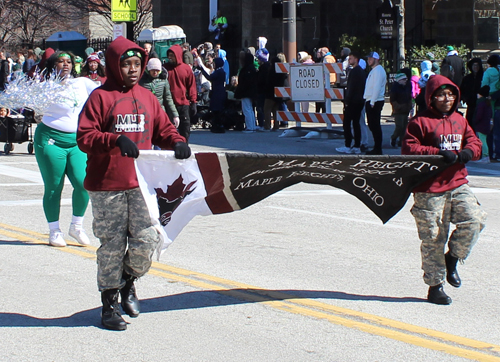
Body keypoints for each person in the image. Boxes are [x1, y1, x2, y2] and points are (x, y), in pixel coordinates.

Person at [77, 36, 191, 331]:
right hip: (107, 185)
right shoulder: (100, 98)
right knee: (112, 245)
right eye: (126, 64)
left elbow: (165, 129)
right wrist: (114, 139)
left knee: (147, 240)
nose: (132, 69)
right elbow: (85, 137)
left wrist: (177, 142)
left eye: (137, 64)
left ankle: (127, 281)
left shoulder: (148, 97)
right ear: (114, 66)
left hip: (142, 184)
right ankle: (109, 304)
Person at [402, 74, 486, 305]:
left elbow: (475, 143)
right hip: (429, 189)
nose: (446, 98)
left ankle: (453, 258)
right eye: (441, 94)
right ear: (431, 97)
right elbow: (409, 149)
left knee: (474, 221)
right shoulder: (419, 122)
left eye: (450, 94)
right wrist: (437, 154)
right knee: (433, 238)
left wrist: (469, 152)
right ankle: (435, 286)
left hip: (457, 183)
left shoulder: (460, 119)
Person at [34, 51, 99, 247]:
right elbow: (34, 108)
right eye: (61, 62)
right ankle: (54, 230)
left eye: (69, 61)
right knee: (54, 186)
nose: (66, 65)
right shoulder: (44, 87)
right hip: (51, 139)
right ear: (53, 66)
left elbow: (104, 94)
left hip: (77, 140)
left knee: (83, 183)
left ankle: (76, 226)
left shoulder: (82, 83)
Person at [165, 44, 198, 142]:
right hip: (169, 104)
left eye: (172, 55)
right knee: (169, 131)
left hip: (183, 104)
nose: (170, 58)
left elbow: (191, 86)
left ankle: (184, 147)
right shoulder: (165, 69)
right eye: (169, 55)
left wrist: (194, 102)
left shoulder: (186, 69)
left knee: (185, 130)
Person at [336, 51, 366, 154]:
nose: (349, 61)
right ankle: (357, 145)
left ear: (356, 59)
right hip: (360, 101)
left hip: (352, 101)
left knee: (347, 124)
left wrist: (347, 101)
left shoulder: (354, 71)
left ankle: (347, 145)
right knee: (356, 123)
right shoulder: (362, 72)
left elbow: (351, 88)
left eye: (351, 59)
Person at [139, 57, 180, 128]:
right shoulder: (141, 81)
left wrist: (175, 115)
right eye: (153, 70)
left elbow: (168, 99)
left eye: (157, 70)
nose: (155, 72)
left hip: (160, 111)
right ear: (148, 69)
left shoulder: (163, 81)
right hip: (145, 111)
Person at [195, 54, 227, 133]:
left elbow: (210, 77)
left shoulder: (219, 71)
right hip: (218, 91)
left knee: (217, 110)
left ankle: (218, 126)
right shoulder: (221, 71)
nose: (213, 65)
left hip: (218, 92)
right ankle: (217, 125)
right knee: (217, 110)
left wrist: (202, 69)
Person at [363, 51, 386, 155]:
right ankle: (377, 147)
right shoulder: (375, 70)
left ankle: (378, 148)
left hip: (375, 101)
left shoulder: (378, 71)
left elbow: (376, 87)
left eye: (371, 59)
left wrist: (372, 101)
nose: (369, 60)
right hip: (371, 100)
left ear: (376, 60)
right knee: (372, 125)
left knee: (375, 125)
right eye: (368, 59)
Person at [481, 54, 500, 161]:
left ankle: (490, 153)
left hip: (490, 96)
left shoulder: (488, 71)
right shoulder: (499, 70)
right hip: (497, 96)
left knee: (491, 125)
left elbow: (484, 84)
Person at [234, 52, 258, 133]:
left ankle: (250, 127)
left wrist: (240, 90)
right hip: (250, 92)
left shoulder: (247, 69)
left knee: (247, 109)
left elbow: (245, 82)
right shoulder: (252, 68)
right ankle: (253, 126)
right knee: (250, 109)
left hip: (246, 92)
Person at [389, 72, 412, 148]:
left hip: (405, 109)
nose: (406, 80)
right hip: (398, 110)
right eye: (404, 79)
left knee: (404, 127)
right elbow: (392, 99)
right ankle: (394, 137)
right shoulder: (395, 88)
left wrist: (409, 106)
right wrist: (398, 107)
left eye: (406, 79)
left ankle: (402, 141)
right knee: (399, 126)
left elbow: (409, 97)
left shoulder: (407, 87)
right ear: (399, 80)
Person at [460, 58, 483, 130]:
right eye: (474, 65)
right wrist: (464, 98)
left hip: (481, 103)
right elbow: (462, 89)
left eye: (477, 65)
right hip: (470, 103)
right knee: (469, 120)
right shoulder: (467, 78)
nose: (475, 67)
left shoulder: (483, 77)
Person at [474, 85, 493, 162]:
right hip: (486, 125)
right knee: (484, 140)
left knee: (482, 141)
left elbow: (479, 115)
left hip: (481, 125)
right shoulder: (488, 103)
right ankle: (485, 155)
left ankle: (485, 155)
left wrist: (475, 121)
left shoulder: (481, 103)